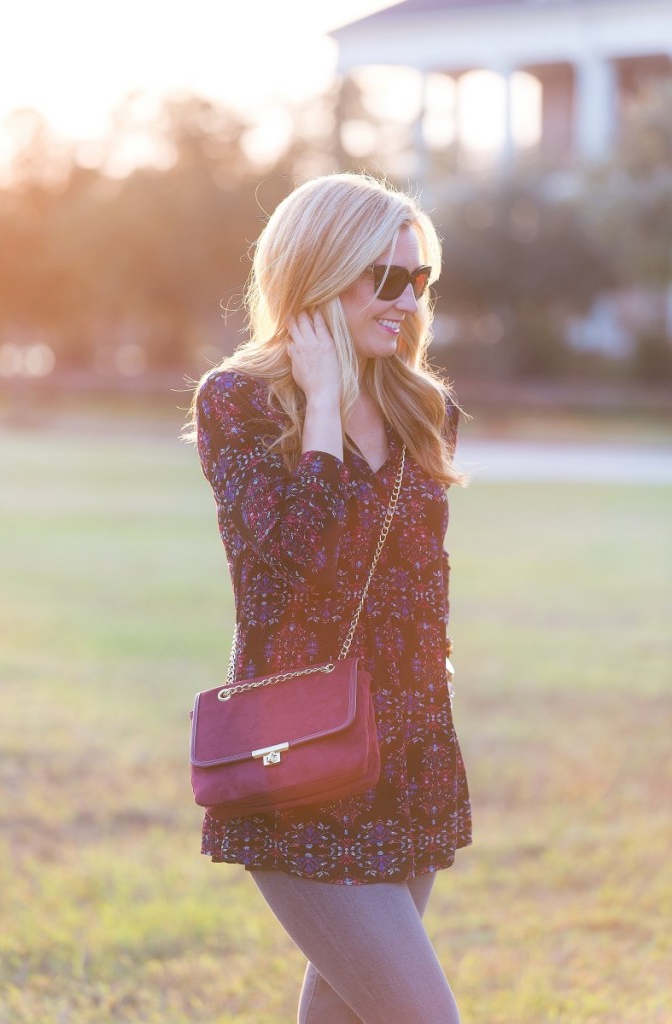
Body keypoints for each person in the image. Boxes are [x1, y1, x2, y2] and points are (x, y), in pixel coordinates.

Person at [187, 172, 472, 1024]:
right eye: (384, 278)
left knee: (349, 1011)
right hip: (300, 759)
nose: (406, 299)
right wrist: (320, 414)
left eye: (418, 279)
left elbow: (423, 580)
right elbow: (277, 588)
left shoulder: (425, 409)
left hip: (409, 751)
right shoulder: (238, 401)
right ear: (316, 273)